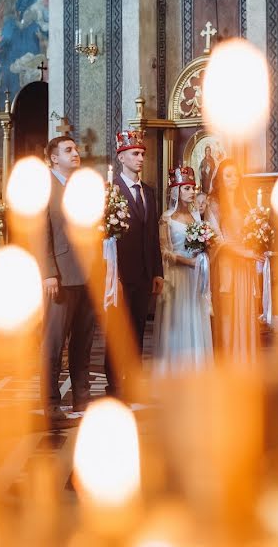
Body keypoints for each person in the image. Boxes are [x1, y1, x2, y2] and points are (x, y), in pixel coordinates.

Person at [38, 136, 95, 421]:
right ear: (52, 158)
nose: (76, 153)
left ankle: (81, 397)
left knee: (83, 340)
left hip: (87, 272)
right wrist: (48, 272)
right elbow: (40, 232)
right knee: (54, 341)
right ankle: (50, 402)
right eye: (68, 150)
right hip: (60, 273)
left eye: (76, 149)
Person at [107, 130, 163, 397]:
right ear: (122, 157)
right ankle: (114, 382)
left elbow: (152, 235)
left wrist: (157, 272)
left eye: (142, 154)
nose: (140, 158)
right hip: (118, 272)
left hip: (143, 272)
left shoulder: (148, 192)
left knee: (138, 328)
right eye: (135, 154)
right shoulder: (111, 190)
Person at [153, 165, 213, 374]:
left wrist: (203, 255)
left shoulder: (197, 217)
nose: (192, 192)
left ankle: (196, 369)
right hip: (177, 275)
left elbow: (204, 243)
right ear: (176, 190)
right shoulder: (166, 218)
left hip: (195, 276)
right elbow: (163, 250)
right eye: (186, 188)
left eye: (193, 188)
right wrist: (186, 261)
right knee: (178, 320)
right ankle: (174, 370)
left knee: (195, 317)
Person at [206, 159, 261, 362]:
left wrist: (258, 242)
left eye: (236, 175)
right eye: (228, 175)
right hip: (227, 263)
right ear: (220, 177)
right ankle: (229, 360)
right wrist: (242, 252)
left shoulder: (244, 202)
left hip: (245, 265)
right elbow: (216, 238)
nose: (233, 179)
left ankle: (245, 358)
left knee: (245, 311)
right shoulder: (214, 203)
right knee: (228, 313)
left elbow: (251, 231)